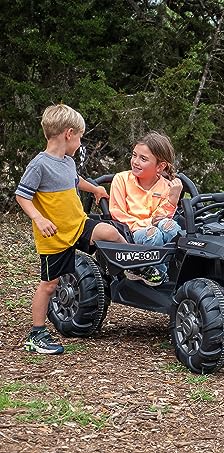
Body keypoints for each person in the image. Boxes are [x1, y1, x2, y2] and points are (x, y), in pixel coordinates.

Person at [15, 104, 127, 355]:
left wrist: (96, 189)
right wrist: (39, 219)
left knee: (110, 233)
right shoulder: (39, 165)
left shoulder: (67, 161)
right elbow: (22, 196)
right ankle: (36, 334)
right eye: (80, 136)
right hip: (54, 236)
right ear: (68, 134)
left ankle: (132, 270)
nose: (80, 141)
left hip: (77, 224)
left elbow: (76, 181)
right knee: (49, 284)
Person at [109, 131, 183, 286]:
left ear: (160, 166)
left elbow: (161, 217)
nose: (135, 161)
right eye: (134, 155)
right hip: (131, 232)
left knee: (171, 227)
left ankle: (179, 269)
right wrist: (148, 224)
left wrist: (173, 199)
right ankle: (159, 275)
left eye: (143, 159)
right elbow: (117, 213)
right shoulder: (121, 179)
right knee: (153, 234)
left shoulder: (166, 186)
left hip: (155, 227)